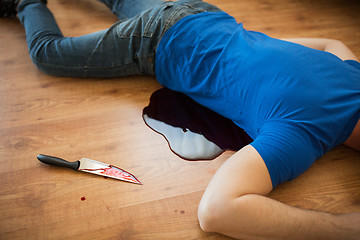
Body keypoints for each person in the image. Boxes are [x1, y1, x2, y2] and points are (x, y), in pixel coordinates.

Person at [2, 0, 359, 239]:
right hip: (157, 41)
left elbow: (331, 43)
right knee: (49, 54)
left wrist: (261, 57)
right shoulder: (303, 132)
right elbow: (216, 212)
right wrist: (342, 227)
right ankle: (26, 2)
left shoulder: (353, 73)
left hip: (200, 13)